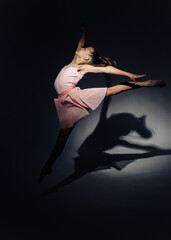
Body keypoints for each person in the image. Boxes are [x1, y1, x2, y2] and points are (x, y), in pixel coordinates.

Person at [38, 26, 165, 184]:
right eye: (83, 48)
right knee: (61, 140)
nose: (82, 48)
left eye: (85, 49)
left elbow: (108, 68)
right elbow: (81, 42)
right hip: (65, 101)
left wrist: (128, 74)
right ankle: (49, 166)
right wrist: (84, 30)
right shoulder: (73, 60)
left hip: (73, 97)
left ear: (85, 59)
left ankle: (145, 84)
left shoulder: (83, 67)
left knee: (113, 91)